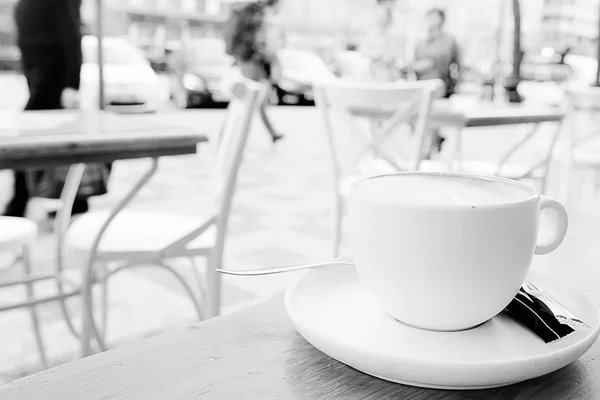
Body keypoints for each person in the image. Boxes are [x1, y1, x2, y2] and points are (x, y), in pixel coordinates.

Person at [4, 0, 89, 217]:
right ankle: (71, 199)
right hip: (38, 74)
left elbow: (71, 35)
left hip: (53, 78)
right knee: (54, 136)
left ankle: (21, 200)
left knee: (33, 137)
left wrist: (71, 84)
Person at [224, 0, 283, 143]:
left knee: (254, 98)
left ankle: (269, 132)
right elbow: (258, 38)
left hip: (247, 59)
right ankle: (228, 137)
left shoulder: (249, 11)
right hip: (251, 60)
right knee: (247, 99)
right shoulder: (256, 12)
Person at [413, 8, 461, 155]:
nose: (431, 21)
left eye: (434, 17)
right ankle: (430, 146)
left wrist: (458, 84)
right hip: (422, 85)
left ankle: (429, 151)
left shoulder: (449, 41)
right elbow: (414, 64)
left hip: (441, 85)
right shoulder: (421, 42)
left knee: (433, 117)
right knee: (422, 119)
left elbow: (455, 63)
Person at [359, 0, 401, 82]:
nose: (380, 18)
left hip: (387, 71)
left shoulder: (391, 34)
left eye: (382, 15)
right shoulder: (373, 33)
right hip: (376, 70)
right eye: (379, 15)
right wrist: (379, 55)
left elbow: (391, 56)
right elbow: (363, 50)